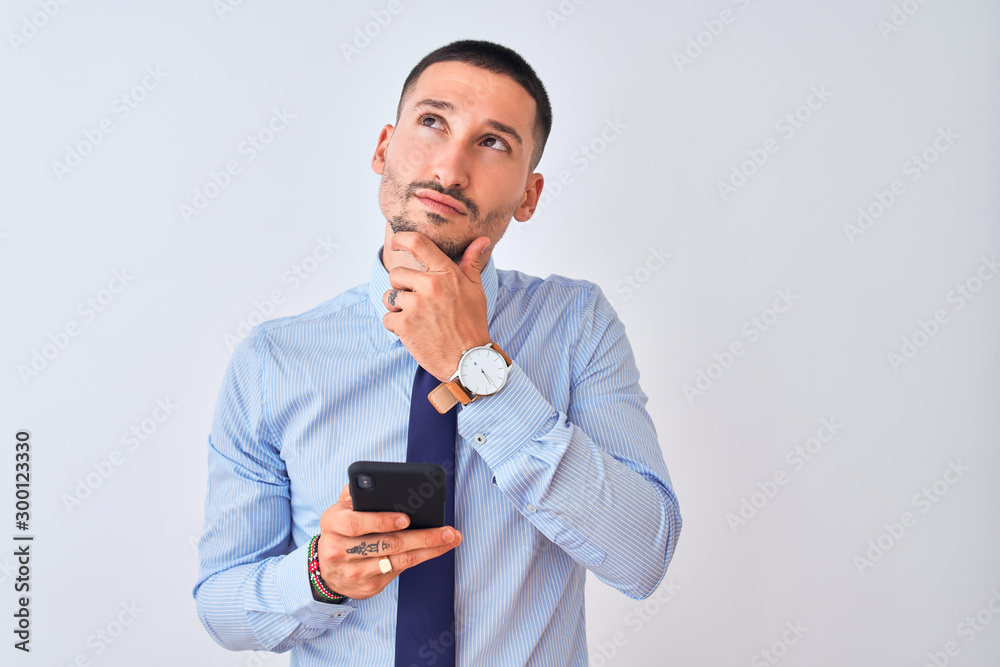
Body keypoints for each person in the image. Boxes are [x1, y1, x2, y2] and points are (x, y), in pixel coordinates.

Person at [194, 39, 682, 666]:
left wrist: (474, 364)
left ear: (529, 196)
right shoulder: (274, 359)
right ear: (383, 148)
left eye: (493, 142)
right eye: (432, 122)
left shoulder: (577, 325)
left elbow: (643, 556)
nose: (450, 170)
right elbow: (221, 606)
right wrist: (319, 576)